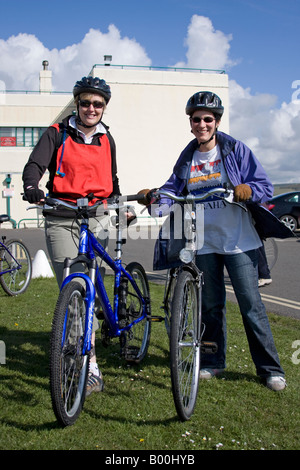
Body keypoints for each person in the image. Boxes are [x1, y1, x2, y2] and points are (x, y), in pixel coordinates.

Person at [140, 91, 286, 391]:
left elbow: (264, 186)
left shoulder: (234, 150)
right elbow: (171, 190)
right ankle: (212, 361)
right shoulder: (188, 156)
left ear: (216, 121)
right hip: (203, 242)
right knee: (210, 306)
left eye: (208, 119)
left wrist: (247, 190)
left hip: (239, 242)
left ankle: (270, 369)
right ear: (190, 122)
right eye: (197, 119)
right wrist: (155, 200)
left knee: (251, 305)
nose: (202, 124)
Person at [22, 76, 121, 396]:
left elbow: (113, 178)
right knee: (75, 285)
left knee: (94, 281)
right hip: (62, 218)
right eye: (85, 103)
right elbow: (34, 165)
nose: (91, 109)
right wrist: (31, 188)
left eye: (98, 104)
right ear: (77, 103)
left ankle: (100, 318)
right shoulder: (57, 133)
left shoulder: (108, 138)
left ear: (104, 107)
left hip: (97, 218)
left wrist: (120, 205)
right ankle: (89, 363)